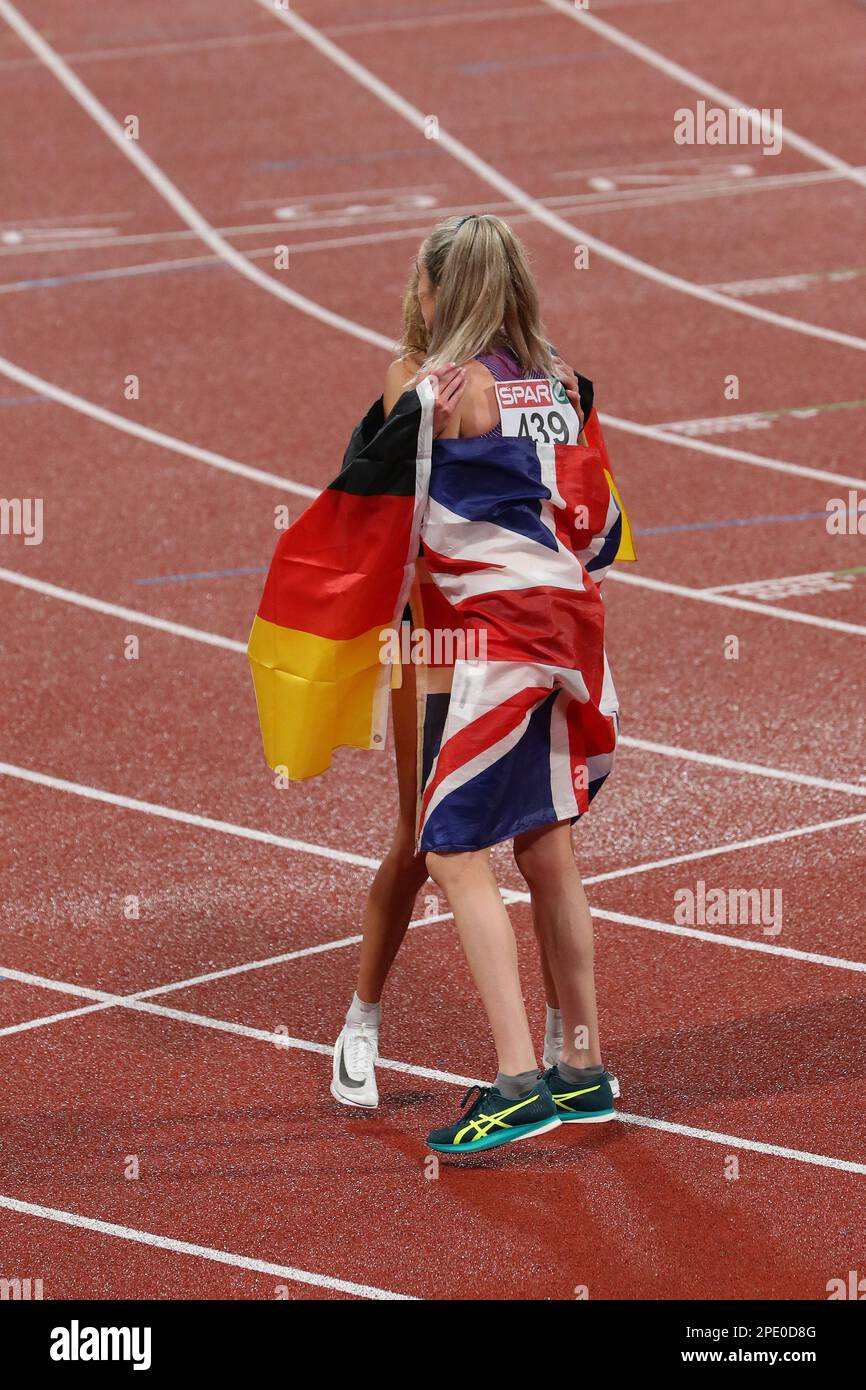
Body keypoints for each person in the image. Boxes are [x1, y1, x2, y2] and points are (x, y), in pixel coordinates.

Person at [249, 214, 633, 1153]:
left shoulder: (427, 388)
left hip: (482, 641)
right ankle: (581, 1068)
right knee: (546, 846)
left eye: (420, 285)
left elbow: (369, 502)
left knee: (452, 849)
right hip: (574, 630)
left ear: (437, 291)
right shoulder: (563, 386)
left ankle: (514, 1082)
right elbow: (606, 528)